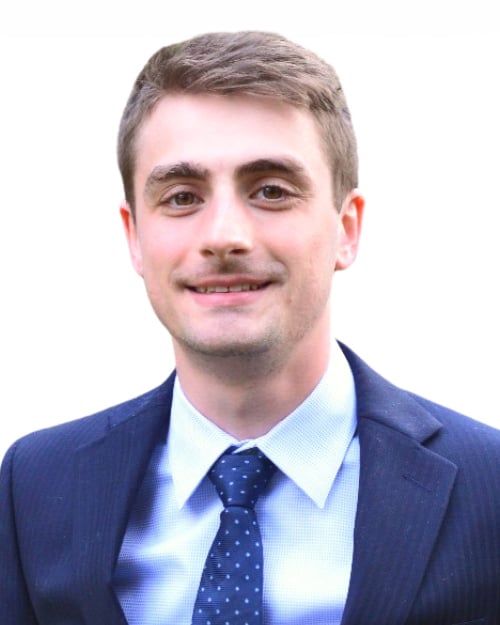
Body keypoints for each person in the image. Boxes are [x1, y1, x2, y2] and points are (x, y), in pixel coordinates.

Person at [1, 31, 499, 625]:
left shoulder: (489, 487)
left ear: (347, 229)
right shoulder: (34, 486)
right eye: (181, 197)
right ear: (134, 237)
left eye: (270, 191)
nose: (223, 237)